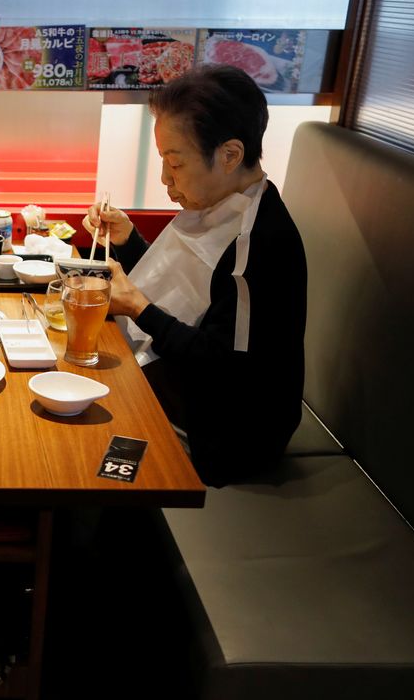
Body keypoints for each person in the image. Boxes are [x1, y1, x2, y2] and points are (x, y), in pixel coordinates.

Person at [84, 65, 306, 485]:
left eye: (176, 163)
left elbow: (225, 364)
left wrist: (138, 307)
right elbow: (188, 291)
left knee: (83, 423)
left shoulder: (258, 240)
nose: (165, 178)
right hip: (187, 391)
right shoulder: (224, 203)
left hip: (226, 440)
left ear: (229, 155)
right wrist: (129, 241)